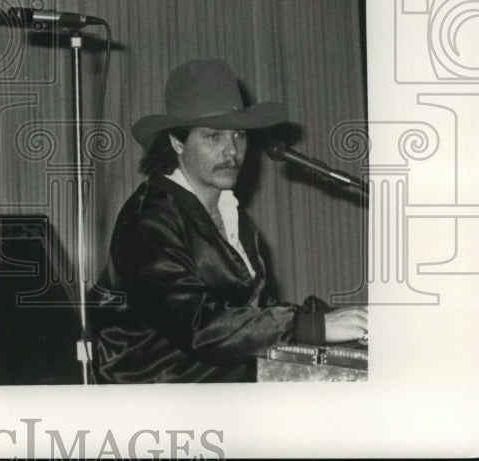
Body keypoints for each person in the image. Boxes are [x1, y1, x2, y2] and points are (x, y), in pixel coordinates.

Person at [93, 58, 367, 383]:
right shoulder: (149, 222)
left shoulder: (229, 211)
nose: (231, 151)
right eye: (212, 137)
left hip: (222, 380)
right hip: (164, 396)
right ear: (177, 142)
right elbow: (200, 327)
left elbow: (253, 311)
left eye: (238, 135)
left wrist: (340, 320)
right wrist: (312, 328)